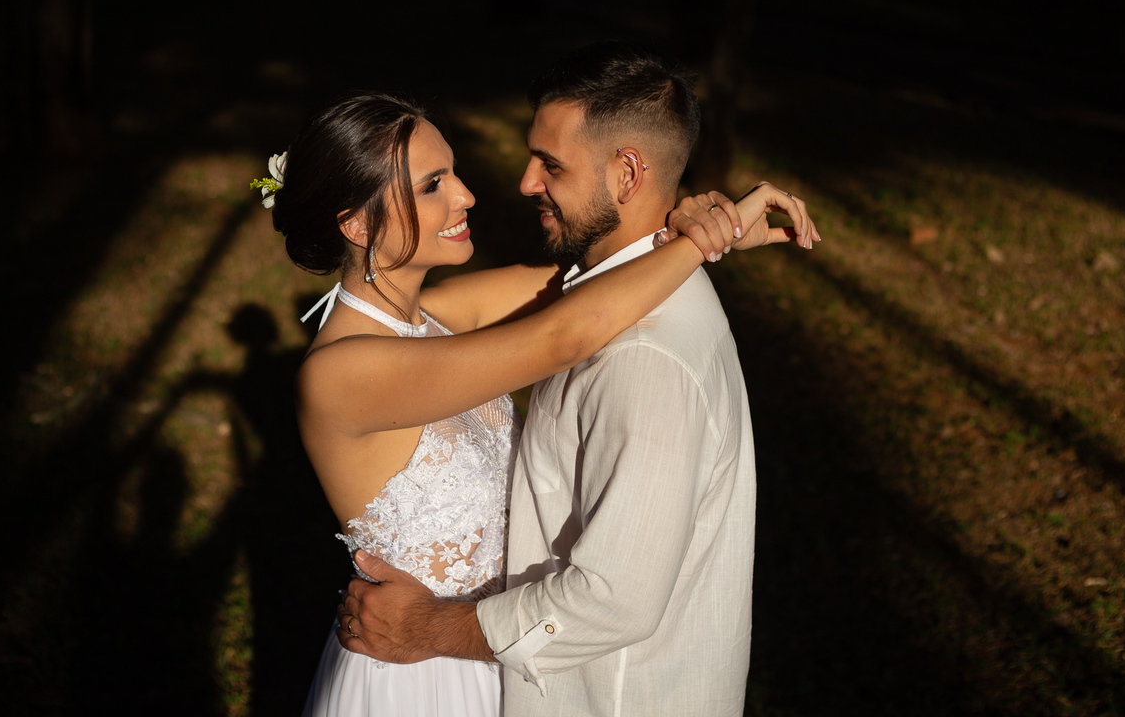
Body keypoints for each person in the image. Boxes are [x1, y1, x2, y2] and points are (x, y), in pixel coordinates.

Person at [267, 87, 818, 716]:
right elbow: (565, 334)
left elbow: (588, 281)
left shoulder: (427, 318)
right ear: (357, 223)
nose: (466, 195)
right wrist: (703, 243)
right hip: (418, 671)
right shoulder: (342, 374)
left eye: (452, 172)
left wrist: (676, 226)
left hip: (488, 656)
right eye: (432, 185)